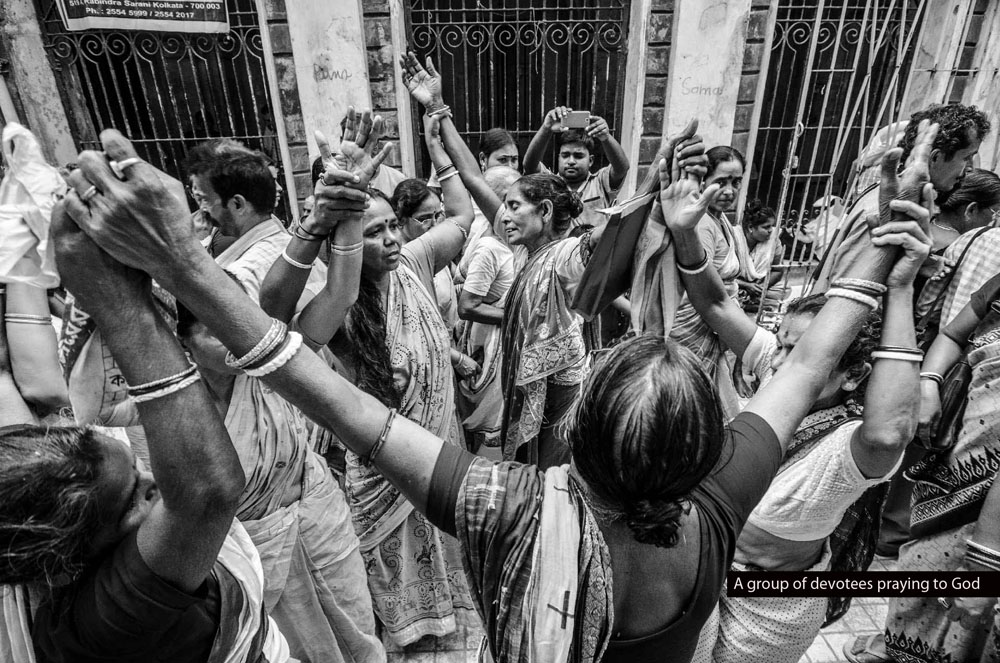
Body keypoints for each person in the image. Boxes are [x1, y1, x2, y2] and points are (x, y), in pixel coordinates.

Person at [55, 120, 935, 663]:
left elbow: (324, 394)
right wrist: (885, 257)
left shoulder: (509, 505)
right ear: (711, 449)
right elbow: (808, 366)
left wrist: (178, 263)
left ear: (578, 432)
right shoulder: (717, 504)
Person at [3, 166, 292, 660]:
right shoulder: (98, 620)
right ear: (69, 558)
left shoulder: (39, 496)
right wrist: (119, 301)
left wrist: (23, 232)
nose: (158, 483)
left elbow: (24, 385)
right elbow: (207, 491)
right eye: (138, 496)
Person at [658, 148, 931, 661]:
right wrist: (686, 233)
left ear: (854, 375)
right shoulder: (775, 372)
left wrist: (899, 288)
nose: (780, 360)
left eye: (801, 351)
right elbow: (717, 304)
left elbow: (890, 433)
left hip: (771, 605)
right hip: (700, 576)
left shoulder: (849, 447)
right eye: (781, 343)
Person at [260, 111, 476, 647]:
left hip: (435, 442)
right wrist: (333, 217)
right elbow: (282, 324)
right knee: (391, 557)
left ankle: (442, 620)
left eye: (390, 227)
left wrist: (438, 125)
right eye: (372, 232)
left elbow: (463, 213)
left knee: (440, 538)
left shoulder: (417, 262)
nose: (390, 240)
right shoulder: (335, 298)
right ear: (347, 242)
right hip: (380, 460)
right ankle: (406, 630)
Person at [174, 294, 384, 663]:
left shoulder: (271, 368)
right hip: (257, 547)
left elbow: (341, 294)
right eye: (212, 333)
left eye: (232, 328)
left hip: (319, 518)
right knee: (296, 648)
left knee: (357, 625)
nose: (229, 342)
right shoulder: (181, 410)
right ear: (185, 342)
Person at [847, 271, 1000, 663]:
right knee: (921, 560)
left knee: (976, 610)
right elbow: (952, 335)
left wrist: (986, 561)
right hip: (958, 457)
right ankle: (902, 646)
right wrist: (929, 380)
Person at [814, 103, 991, 291]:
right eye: (966, 158)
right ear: (935, 158)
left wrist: (922, 262)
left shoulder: (908, 203)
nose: (971, 167)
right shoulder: (891, 207)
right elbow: (848, 285)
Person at [668, 145, 747, 418]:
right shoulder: (702, 223)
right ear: (704, 182)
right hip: (695, 326)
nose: (729, 190)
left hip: (715, 325)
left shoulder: (720, 219)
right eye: (721, 182)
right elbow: (700, 288)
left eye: (736, 182)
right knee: (694, 401)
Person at [915, 168, 1000, 328]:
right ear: (971, 210)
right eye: (996, 212)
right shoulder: (965, 244)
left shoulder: (919, 227)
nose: (995, 219)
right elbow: (927, 309)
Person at [522, 105, 630, 230]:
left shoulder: (601, 183)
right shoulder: (549, 184)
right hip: (559, 249)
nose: (571, 161)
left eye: (578, 156)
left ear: (590, 161)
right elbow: (529, 166)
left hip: (595, 248)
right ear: (558, 158)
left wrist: (606, 137)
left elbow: (622, 168)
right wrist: (546, 128)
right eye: (565, 155)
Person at [735, 199, 782, 309]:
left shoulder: (773, 240)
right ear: (751, 227)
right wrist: (747, 285)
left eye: (772, 226)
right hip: (735, 282)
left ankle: (748, 302)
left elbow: (778, 270)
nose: (771, 230)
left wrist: (762, 287)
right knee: (726, 290)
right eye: (766, 227)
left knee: (781, 290)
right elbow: (722, 274)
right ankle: (748, 303)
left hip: (759, 284)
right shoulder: (734, 238)